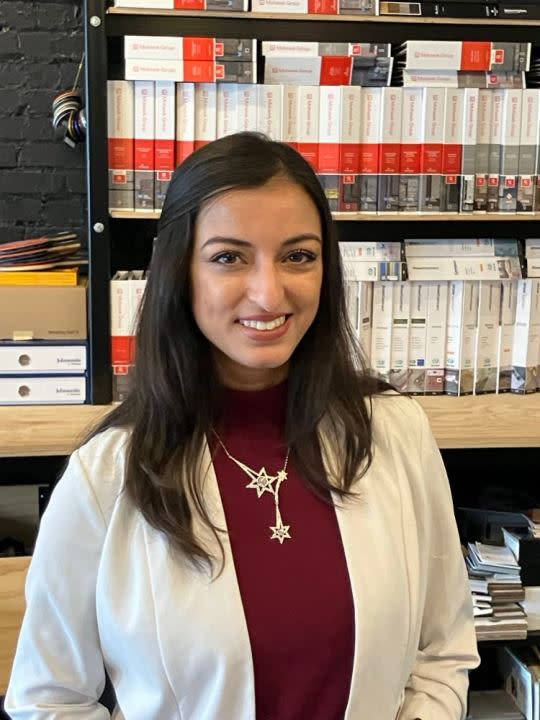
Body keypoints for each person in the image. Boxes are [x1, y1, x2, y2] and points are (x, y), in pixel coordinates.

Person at [5, 132, 479, 720]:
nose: (268, 291)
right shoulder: (107, 476)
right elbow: (48, 700)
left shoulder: (396, 432)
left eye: (298, 255)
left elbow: (442, 649)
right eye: (229, 257)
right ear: (181, 271)